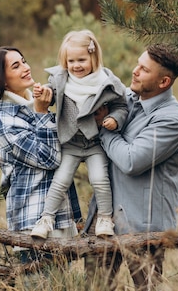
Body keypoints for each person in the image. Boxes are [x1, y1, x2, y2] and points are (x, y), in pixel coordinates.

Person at [84, 43, 178, 291]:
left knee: (147, 288)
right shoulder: (126, 101)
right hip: (105, 220)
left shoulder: (171, 120)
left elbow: (131, 161)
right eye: (138, 63)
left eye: (144, 69)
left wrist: (103, 128)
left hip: (144, 226)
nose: (135, 71)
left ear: (163, 82)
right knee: (95, 287)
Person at [0, 46, 81, 262]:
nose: (26, 67)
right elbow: (50, 158)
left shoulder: (30, 106)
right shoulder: (3, 120)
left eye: (24, 61)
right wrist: (43, 113)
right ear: (2, 80)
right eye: (16, 65)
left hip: (59, 219)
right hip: (32, 224)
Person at [30, 30, 128, 239]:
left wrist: (114, 119)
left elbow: (121, 106)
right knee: (61, 180)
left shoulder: (106, 82)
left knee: (100, 179)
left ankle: (104, 218)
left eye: (82, 60)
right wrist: (42, 92)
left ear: (94, 57)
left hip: (95, 143)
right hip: (70, 142)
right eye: (71, 60)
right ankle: (46, 219)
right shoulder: (61, 79)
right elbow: (52, 92)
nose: (76, 65)